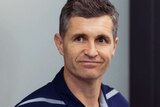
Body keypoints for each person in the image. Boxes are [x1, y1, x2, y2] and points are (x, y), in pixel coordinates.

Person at [15, 0, 129, 107]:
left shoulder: (118, 102)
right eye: (79, 39)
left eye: (101, 40)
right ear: (60, 44)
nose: (91, 52)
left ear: (114, 46)